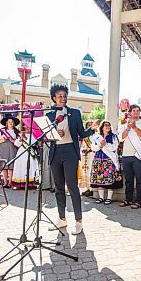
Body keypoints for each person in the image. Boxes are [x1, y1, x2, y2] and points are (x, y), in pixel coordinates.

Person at [47, 84, 97, 235]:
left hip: (70, 152)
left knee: (73, 187)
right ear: (54, 98)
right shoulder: (49, 115)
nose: (63, 98)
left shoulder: (74, 113)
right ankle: (62, 219)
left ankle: (78, 221)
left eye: (65, 95)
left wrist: (93, 128)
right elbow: (44, 137)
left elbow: (81, 133)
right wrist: (54, 134)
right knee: (59, 188)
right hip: (55, 152)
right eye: (59, 96)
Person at [118, 104, 141, 209]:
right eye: (134, 111)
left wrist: (134, 127)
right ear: (130, 112)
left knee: (140, 179)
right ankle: (128, 199)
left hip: (138, 155)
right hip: (126, 155)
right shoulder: (124, 124)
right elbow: (120, 139)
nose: (136, 112)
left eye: (138, 110)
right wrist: (127, 128)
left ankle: (139, 201)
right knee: (128, 180)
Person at [90, 120, 123, 205]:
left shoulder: (113, 136)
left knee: (109, 180)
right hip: (98, 160)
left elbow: (114, 147)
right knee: (100, 180)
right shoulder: (97, 136)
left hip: (109, 160)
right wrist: (100, 145)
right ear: (102, 127)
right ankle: (101, 197)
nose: (107, 127)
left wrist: (106, 145)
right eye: (105, 125)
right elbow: (93, 147)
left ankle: (109, 198)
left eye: (108, 125)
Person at [0, 115, 20, 187]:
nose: (10, 123)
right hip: (3, 150)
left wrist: (13, 140)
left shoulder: (17, 132)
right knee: (4, 167)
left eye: (12, 122)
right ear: (6, 123)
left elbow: (19, 142)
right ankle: (5, 182)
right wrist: (3, 140)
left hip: (13, 150)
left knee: (11, 167)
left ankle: (10, 183)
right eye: (9, 122)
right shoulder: (1, 131)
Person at [10, 123, 38, 190]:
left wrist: (24, 137)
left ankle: (30, 184)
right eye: (26, 127)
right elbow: (17, 144)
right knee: (21, 167)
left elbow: (32, 143)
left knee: (30, 168)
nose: (27, 128)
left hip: (30, 154)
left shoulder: (33, 135)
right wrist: (20, 139)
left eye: (28, 127)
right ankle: (20, 184)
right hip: (21, 153)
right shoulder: (20, 134)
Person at [80, 120, 95, 197]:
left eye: (90, 125)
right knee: (84, 171)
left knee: (90, 171)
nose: (89, 126)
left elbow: (95, 145)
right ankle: (85, 189)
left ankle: (91, 189)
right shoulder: (84, 136)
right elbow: (82, 144)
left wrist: (89, 150)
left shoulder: (95, 135)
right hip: (83, 154)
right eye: (88, 125)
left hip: (91, 155)